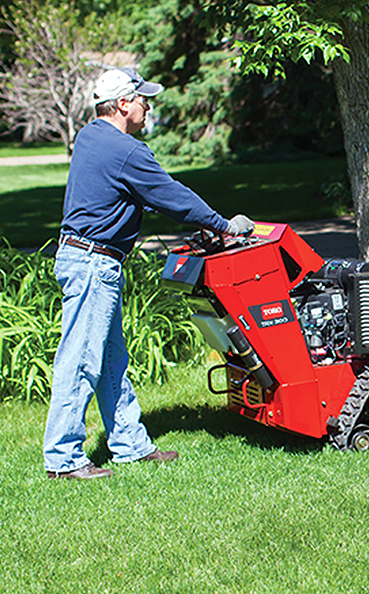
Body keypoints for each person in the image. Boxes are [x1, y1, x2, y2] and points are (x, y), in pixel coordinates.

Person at [43, 67, 254, 480]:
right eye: (142, 99)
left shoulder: (89, 137)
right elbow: (172, 194)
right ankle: (63, 459)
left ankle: (130, 445)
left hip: (84, 259)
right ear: (123, 103)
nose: (148, 106)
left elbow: (124, 191)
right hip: (93, 264)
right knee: (83, 359)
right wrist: (224, 225)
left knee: (110, 361)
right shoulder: (126, 151)